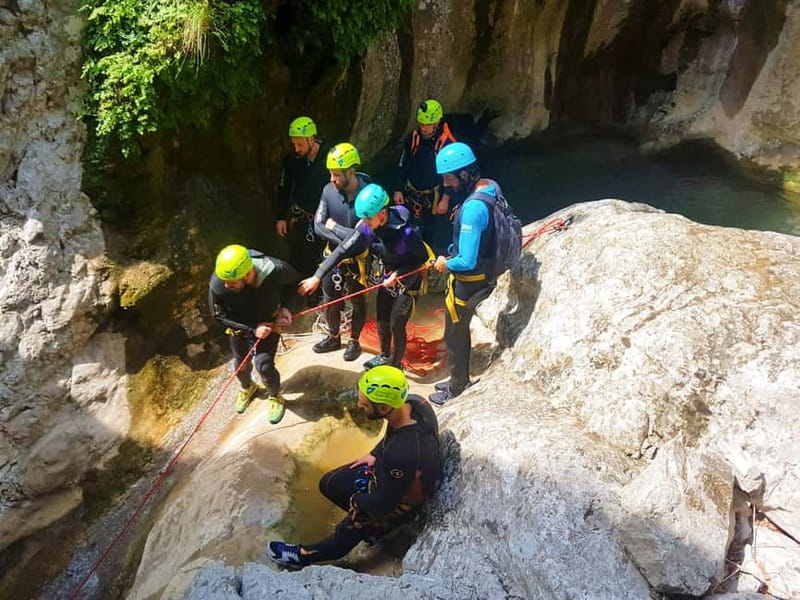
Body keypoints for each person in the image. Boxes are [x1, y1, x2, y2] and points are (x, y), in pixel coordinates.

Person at [267, 365, 441, 568]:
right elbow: (394, 436)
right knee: (329, 483)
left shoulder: (401, 454)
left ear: (384, 408)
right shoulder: (414, 403)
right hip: (394, 478)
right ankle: (371, 526)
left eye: (365, 404)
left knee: (346, 532)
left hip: (399, 502)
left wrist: (359, 502)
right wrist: (375, 454)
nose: (359, 405)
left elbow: (385, 502)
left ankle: (303, 555)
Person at [299, 183, 432, 370]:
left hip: (408, 279)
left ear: (382, 214)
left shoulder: (407, 232)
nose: (364, 222)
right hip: (386, 276)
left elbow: (422, 258)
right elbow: (342, 250)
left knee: (396, 324)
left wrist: (398, 275)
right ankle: (385, 354)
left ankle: (395, 365)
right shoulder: (365, 227)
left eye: (368, 218)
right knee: (382, 320)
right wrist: (318, 276)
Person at [428, 142, 498, 406]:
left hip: (470, 283)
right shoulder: (489, 186)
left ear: (465, 175)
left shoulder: (472, 209)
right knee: (455, 332)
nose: (446, 184)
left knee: (454, 335)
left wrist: (445, 264)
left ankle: (457, 387)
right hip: (486, 273)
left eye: (449, 178)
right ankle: (455, 380)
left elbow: (467, 261)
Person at [208, 244, 299, 423]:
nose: (226, 285)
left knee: (263, 365)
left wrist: (286, 308)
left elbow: (294, 283)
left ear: (248, 274)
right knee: (240, 365)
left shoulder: (273, 270)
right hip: (240, 325)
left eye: (232, 283)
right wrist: (252, 329)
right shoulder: (219, 282)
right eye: (225, 281)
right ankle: (247, 387)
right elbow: (217, 316)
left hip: (269, 322)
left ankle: (275, 395)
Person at [310, 142, 371, 362]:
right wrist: (346, 237)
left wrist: (334, 227)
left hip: (359, 259)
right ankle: (334, 336)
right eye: (331, 174)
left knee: (358, 301)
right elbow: (317, 226)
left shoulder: (368, 195)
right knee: (330, 299)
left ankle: (354, 340)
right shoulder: (328, 191)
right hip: (334, 254)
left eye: (336, 175)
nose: (332, 179)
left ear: (351, 172)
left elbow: (362, 237)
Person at [393, 99, 457, 254]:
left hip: (433, 195)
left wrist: (446, 198)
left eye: (428, 125)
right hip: (412, 191)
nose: (424, 128)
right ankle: (406, 255)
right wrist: (398, 189)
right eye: (421, 124)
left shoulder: (446, 144)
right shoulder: (413, 139)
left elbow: (452, 175)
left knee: (429, 230)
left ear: (437, 123)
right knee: (406, 225)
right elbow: (403, 164)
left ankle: (427, 258)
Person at [275, 116, 328, 294]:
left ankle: (320, 295)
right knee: (298, 257)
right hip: (301, 215)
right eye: (294, 144)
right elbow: (285, 188)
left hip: (323, 217)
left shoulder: (328, 157)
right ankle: (296, 295)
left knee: (322, 257)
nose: (296, 149)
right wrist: (281, 216)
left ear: (311, 139)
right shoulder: (292, 160)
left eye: (300, 145)